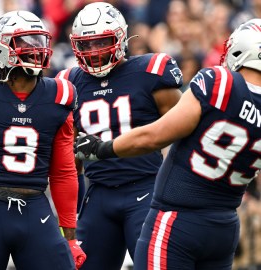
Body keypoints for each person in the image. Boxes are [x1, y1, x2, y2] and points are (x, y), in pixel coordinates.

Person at [75, 18, 261, 270]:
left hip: (179, 219)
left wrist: (102, 148)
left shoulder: (221, 83)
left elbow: (154, 135)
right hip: (225, 224)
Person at [56, 2, 183, 269]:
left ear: (121, 37)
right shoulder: (69, 81)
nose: (93, 51)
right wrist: (71, 212)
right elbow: (71, 159)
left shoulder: (151, 70)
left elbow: (183, 127)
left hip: (146, 189)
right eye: (86, 44)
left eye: (101, 42)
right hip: (99, 194)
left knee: (154, 265)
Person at [0, 10, 86, 270]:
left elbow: (63, 170)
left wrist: (71, 237)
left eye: (38, 41)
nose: (34, 49)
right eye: (24, 42)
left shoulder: (60, 94)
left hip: (35, 209)